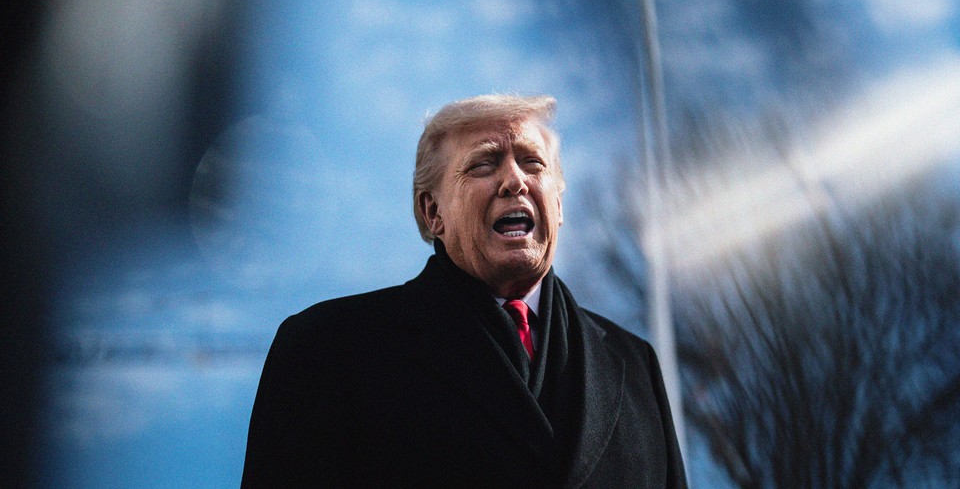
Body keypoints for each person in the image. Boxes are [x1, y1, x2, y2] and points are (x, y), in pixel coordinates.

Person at [241, 95, 686, 488]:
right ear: (432, 211)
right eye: (484, 164)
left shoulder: (635, 364)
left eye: (533, 163)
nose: (515, 181)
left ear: (559, 202)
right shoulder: (328, 348)